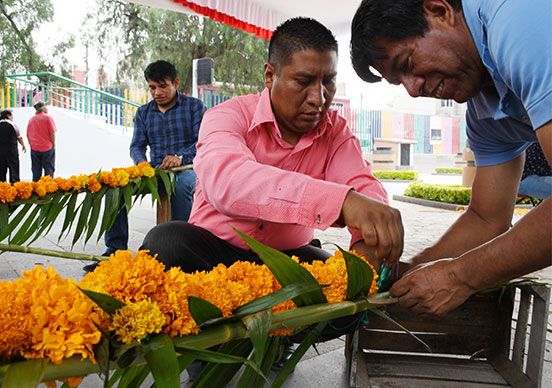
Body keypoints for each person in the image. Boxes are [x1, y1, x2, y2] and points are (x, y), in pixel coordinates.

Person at [141, 18, 403, 280]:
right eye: (303, 81)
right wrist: (342, 201)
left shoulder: (335, 132)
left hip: (287, 257)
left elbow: (365, 191)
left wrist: (368, 241)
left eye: (328, 82)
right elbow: (229, 182)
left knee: (339, 277)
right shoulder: (227, 116)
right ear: (269, 75)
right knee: (166, 241)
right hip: (213, 250)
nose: (319, 98)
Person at [351, 0, 552, 316]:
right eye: (399, 83)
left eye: (407, 64)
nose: (413, 90)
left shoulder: (516, 21)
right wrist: (413, 271)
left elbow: (464, 269)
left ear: (439, 11)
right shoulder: (485, 112)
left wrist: (460, 276)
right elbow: (487, 219)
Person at [83, 60, 206, 271]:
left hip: (186, 169)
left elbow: (202, 142)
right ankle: (114, 252)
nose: (157, 92)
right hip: (154, 171)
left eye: (162, 86)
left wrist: (180, 157)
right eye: (152, 87)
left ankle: (178, 252)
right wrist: (141, 164)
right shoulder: (143, 113)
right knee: (116, 187)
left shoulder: (195, 107)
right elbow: (137, 146)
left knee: (182, 185)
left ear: (175, 82)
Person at [26, 101, 57, 181]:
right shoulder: (48, 118)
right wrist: (53, 144)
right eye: (46, 106)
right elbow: (52, 133)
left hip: (34, 148)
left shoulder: (31, 119)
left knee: (36, 170)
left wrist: (32, 145)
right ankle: (48, 188)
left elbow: (28, 135)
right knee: (49, 169)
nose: (47, 108)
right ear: (42, 108)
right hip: (47, 148)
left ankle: (36, 188)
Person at [0, 109, 26, 183]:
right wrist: (23, 145)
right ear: (8, 115)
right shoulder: (13, 125)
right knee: (14, 169)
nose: (13, 117)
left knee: (1, 170)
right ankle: (14, 186)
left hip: (0, 150)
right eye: (12, 115)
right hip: (11, 150)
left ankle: (2, 187)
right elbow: (19, 136)